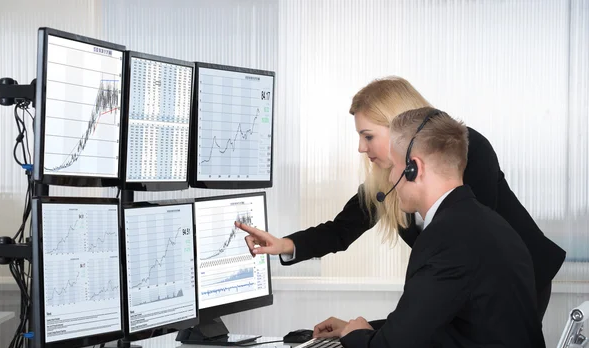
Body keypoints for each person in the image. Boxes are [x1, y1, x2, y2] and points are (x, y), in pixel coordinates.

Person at [236, 77, 565, 320]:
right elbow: (341, 230)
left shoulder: (465, 149)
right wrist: (284, 245)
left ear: (397, 127)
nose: (361, 149)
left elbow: (475, 242)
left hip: (519, 278)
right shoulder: (392, 178)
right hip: (470, 284)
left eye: (368, 136)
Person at [315, 107, 547, 348]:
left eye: (394, 168)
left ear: (414, 168)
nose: (389, 180)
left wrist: (355, 338)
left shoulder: (446, 235)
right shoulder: (486, 222)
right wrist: (359, 329)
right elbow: (438, 318)